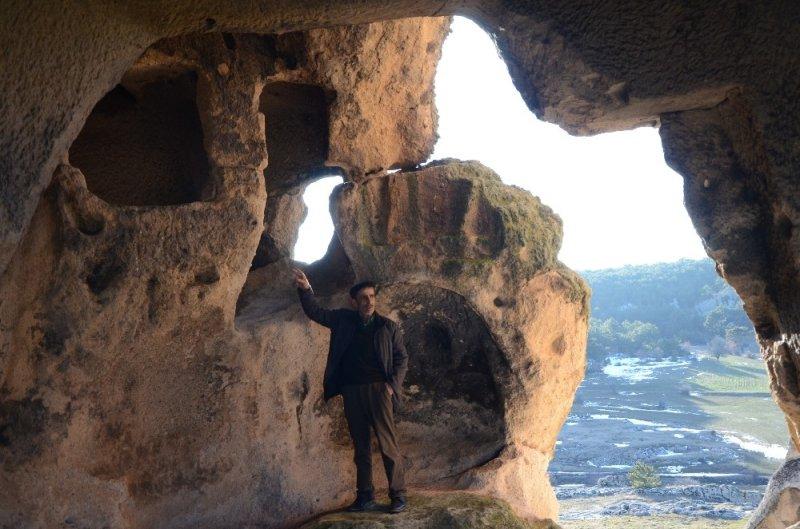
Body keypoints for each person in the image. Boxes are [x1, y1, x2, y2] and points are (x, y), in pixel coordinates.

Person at [292, 267, 409, 513]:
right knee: (361, 446)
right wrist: (305, 289)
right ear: (353, 301)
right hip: (352, 392)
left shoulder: (388, 328)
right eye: (364, 298)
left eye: (372, 297)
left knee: (388, 446)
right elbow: (315, 312)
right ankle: (365, 496)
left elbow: (402, 359)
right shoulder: (343, 319)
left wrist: (391, 387)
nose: (369, 302)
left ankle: (398, 495)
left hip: (379, 391)